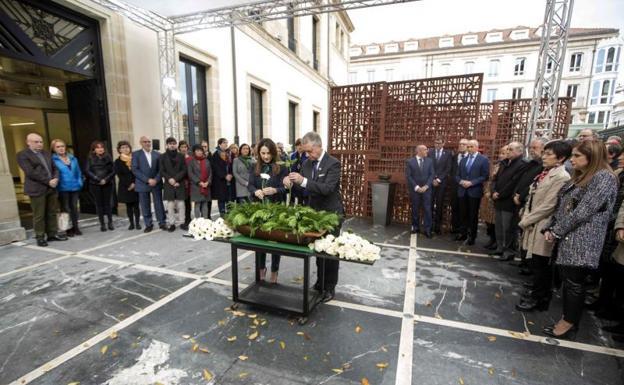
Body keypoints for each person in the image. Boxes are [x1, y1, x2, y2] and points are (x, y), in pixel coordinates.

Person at [542, 140, 617, 339]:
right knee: (569, 281)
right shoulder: (581, 176)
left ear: (591, 158)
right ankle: (567, 319)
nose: (572, 159)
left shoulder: (604, 177)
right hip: (570, 236)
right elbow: (564, 205)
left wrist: (556, 231)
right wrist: (552, 226)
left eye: (577, 156)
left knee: (575, 283)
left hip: (583, 240)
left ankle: (569, 323)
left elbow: (583, 211)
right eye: (572, 155)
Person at [285, 132, 344, 302]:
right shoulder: (307, 164)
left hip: (332, 215)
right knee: (319, 250)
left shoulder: (333, 164)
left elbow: (326, 189)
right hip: (315, 216)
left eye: (309, 151)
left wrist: (303, 181)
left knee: (331, 253)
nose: (307, 155)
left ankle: (330, 288)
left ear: (319, 146)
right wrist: (290, 183)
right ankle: (320, 283)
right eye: (305, 152)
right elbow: (302, 190)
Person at [515, 140, 571, 312]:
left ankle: (540, 299)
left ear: (561, 158)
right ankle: (536, 293)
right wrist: (526, 215)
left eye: (548, 154)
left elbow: (549, 205)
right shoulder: (546, 172)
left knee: (542, 265)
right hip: (533, 222)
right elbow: (532, 197)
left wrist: (526, 220)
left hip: (542, 225)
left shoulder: (562, 177)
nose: (544, 156)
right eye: (544, 153)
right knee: (534, 263)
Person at [248, 138, 288, 284]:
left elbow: (287, 189)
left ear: (273, 152)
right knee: (260, 242)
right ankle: (261, 268)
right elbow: (250, 185)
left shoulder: (281, 167)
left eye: (268, 153)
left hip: (275, 210)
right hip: (259, 209)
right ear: (258, 153)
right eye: (263, 153)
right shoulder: (254, 167)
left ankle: (274, 270)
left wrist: (275, 190)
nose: (266, 156)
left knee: (275, 242)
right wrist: (255, 191)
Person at [17, 133, 67, 247]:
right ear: (28, 142)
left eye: (41, 142)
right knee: (39, 215)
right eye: (36, 142)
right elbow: (30, 172)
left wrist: (55, 178)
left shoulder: (46, 153)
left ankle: (52, 234)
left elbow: (55, 168)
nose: (39, 144)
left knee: (52, 212)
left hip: (51, 188)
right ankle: (40, 236)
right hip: (37, 189)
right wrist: (48, 181)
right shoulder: (23, 155)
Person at [490, 142, 528, 260]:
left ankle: (508, 251)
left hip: (508, 202)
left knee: (508, 228)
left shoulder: (522, 164)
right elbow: (496, 179)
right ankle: (500, 248)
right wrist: (493, 192)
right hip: (498, 200)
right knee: (499, 227)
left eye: (511, 150)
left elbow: (513, 183)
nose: (507, 152)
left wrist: (500, 194)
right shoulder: (504, 163)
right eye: (508, 149)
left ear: (519, 151)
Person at [455, 139, 489, 245]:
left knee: (473, 215)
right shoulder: (463, 160)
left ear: (477, 147)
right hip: (462, 191)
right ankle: (462, 233)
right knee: (462, 214)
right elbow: (457, 175)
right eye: (468, 147)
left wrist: (472, 183)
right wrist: (461, 181)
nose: (469, 148)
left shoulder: (483, 160)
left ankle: (472, 236)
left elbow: (485, 176)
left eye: (471, 147)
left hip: (474, 192)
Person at [132, 136, 167, 233]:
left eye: (148, 141)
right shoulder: (136, 154)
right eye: (145, 142)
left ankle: (162, 222)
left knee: (159, 204)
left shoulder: (157, 154)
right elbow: (135, 169)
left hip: (156, 183)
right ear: (141, 143)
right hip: (143, 183)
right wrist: (147, 180)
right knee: (145, 205)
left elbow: (161, 169)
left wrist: (156, 179)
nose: (147, 143)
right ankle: (148, 224)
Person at [51, 139, 83, 237]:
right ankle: (66, 228)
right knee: (65, 209)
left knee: (74, 207)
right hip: (62, 188)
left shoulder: (73, 158)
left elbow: (78, 172)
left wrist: (80, 182)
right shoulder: (52, 159)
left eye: (62, 146)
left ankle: (75, 227)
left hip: (75, 187)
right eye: (58, 147)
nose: (61, 148)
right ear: (53, 149)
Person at [85, 141, 116, 232]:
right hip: (95, 184)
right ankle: (102, 224)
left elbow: (113, 170)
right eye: (97, 147)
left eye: (101, 147)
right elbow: (87, 170)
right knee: (99, 205)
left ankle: (110, 222)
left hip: (108, 183)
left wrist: (106, 179)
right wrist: (98, 179)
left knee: (108, 204)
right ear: (94, 150)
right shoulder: (90, 158)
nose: (100, 149)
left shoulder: (108, 157)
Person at [482, 146, 509, 250]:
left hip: (497, 197)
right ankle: (492, 239)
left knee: (496, 222)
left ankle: (498, 243)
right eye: (500, 153)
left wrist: (494, 192)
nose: (501, 155)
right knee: (489, 220)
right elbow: (490, 180)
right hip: (489, 196)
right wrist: (487, 191)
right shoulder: (497, 165)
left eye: (504, 153)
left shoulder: (506, 167)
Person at [406, 145, 435, 237]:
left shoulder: (429, 161)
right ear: (419, 151)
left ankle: (427, 229)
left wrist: (426, 186)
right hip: (415, 190)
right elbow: (408, 176)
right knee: (415, 208)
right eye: (426, 150)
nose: (427, 151)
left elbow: (432, 174)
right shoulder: (410, 162)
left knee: (427, 209)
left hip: (427, 190)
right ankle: (415, 227)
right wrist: (417, 187)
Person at [160, 137, 187, 232]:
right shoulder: (162, 156)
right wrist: (170, 179)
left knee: (181, 204)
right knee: (170, 205)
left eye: (174, 143)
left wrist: (175, 179)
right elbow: (162, 170)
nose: (172, 145)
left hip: (179, 182)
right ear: (167, 145)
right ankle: (172, 224)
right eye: (170, 143)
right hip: (168, 183)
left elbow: (184, 170)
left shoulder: (181, 156)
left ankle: (182, 222)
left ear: (176, 145)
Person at [114, 140, 141, 230]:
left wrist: (134, 183)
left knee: (136, 206)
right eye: (123, 147)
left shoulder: (135, 158)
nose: (125, 149)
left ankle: (137, 223)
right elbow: (120, 175)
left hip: (136, 184)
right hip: (125, 186)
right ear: (119, 150)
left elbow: (138, 171)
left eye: (127, 147)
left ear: (130, 148)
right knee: (129, 206)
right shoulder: (117, 161)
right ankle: (131, 223)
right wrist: (129, 184)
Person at [428, 137, 453, 234]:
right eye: (435, 143)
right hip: (431, 182)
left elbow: (448, 168)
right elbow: (428, 166)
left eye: (439, 143)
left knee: (440, 205)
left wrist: (438, 179)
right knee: (429, 204)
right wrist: (433, 178)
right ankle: (429, 226)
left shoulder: (448, 154)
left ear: (443, 143)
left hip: (441, 183)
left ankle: (437, 227)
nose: (437, 145)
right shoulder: (430, 152)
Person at [188, 144, 212, 219]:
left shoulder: (207, 161)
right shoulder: (191, 162)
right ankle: (198, 221)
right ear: (194, 152)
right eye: (197, 150)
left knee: (205, 203)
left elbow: (210, 173)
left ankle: (205, 220)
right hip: (196, 186)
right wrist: (199, 182)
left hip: (206, 186)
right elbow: (190, 174)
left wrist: (207, 182)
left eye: (201, 150)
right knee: (197, 204)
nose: (199, 152)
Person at [450, 138, 469, 233]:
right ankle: (454, 229)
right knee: (454, 207)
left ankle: (463, 230)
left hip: (465, 187)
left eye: (464, 144)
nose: (461, 146)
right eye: (460, 144)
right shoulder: (454, 156)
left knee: (464, 209)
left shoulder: (470, 157)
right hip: (454, 187)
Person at [211, 138, 233, 217]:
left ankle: (230, 215)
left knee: (229, 199)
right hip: (220, 181)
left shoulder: (229, 153)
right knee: (221, 199)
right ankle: (223, 215)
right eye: (224, 143)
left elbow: (231, 165)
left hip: (229, 180)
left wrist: (230, 174)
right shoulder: (215, 155)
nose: (226, 144)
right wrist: (224, 175)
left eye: (227, 143)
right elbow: (215, 168)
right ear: (219, 144)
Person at [289, 138, 309, 205]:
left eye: (301, 145)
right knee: (295, 197)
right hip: (294, 179)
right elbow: (291, 167)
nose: (299, 147)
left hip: (303, 179)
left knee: (304, 197)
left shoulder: (307, 155)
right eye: (297, 145)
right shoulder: (293, 155)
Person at [178, 140, 192, 229]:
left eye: (185, 147)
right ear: (179, 148)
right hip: (179, 183)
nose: (184, 149)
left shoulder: (190, 158)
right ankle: (182, 220)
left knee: (187, 203)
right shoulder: (177, 158)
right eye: (182, 147)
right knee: (180, 204)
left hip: (188, 184)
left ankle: (188, 219)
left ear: (187, 148)